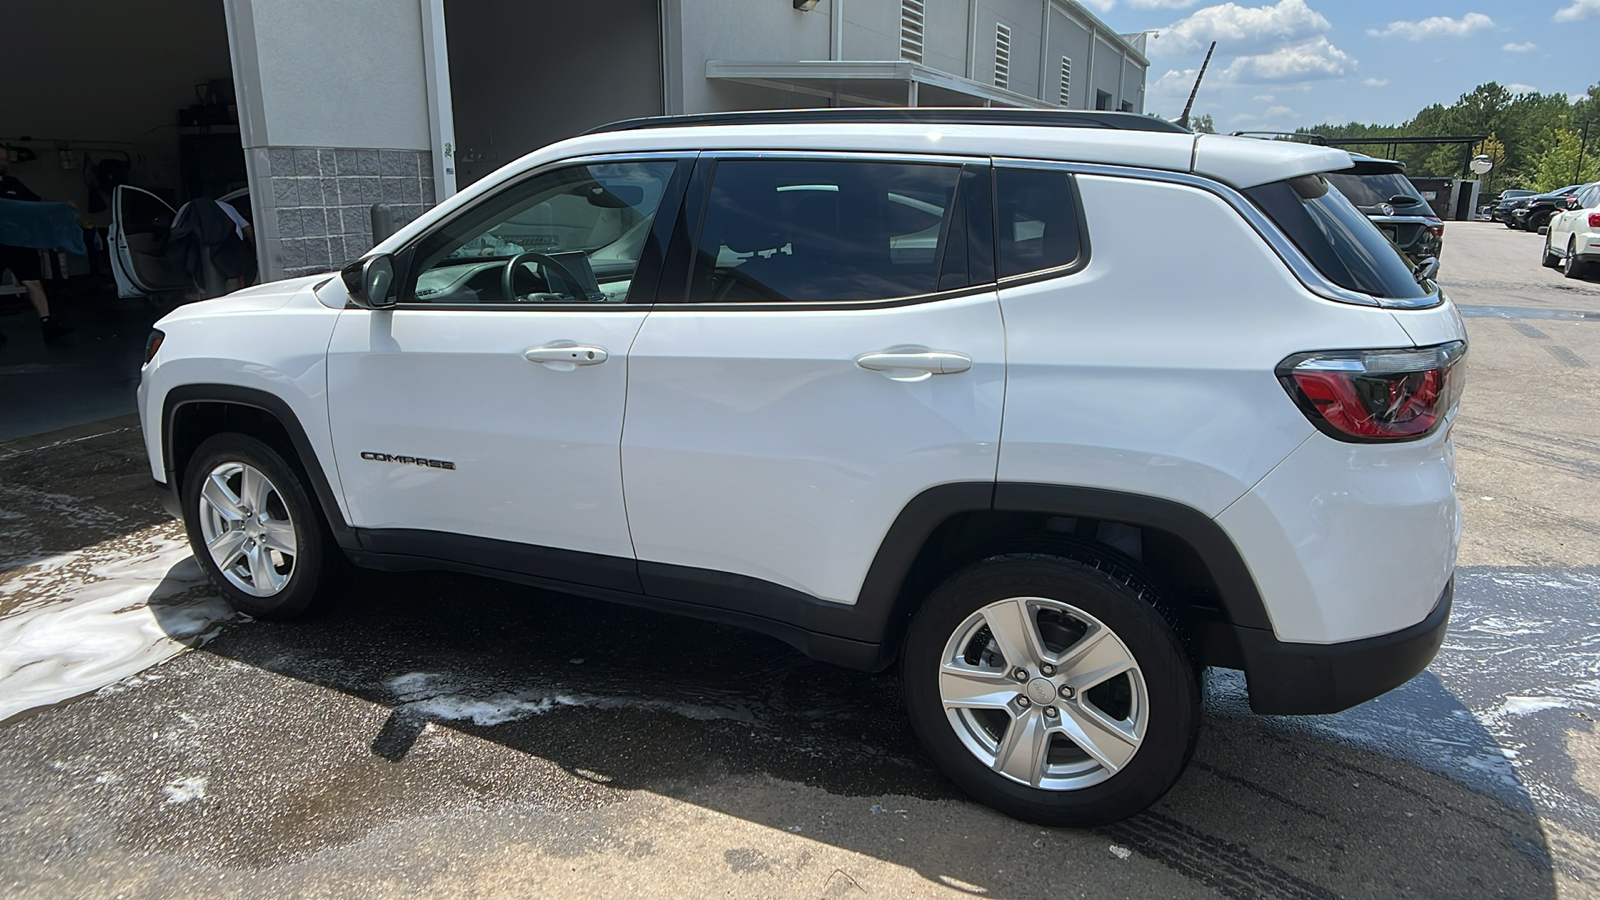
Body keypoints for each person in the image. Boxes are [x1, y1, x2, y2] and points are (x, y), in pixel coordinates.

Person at [0, 146, 74, 347]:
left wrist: (62, 207)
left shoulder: (12, 184)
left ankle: (48, 324)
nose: (3, 163)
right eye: (0, 159)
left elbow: (36, 205)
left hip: (19, 243)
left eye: (5, 159)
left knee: (33, 281)